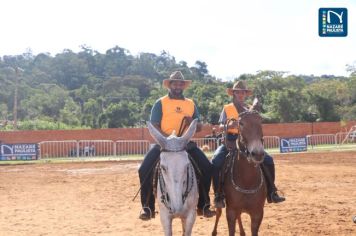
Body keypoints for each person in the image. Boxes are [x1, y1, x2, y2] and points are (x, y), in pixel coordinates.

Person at [138, 71, 216, 220]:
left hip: (186, 143)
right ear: (170, 85)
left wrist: (191, 122)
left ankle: (204, 205)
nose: (178, 86)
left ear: (183, 86)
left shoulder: (190, 103)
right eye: (175, 83)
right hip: (164, 144)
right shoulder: (160, 103)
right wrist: (169, 140)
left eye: (181, 83)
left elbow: (199, 127)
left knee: (207, 167)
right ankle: (147, 207)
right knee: (144, 170)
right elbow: (154, 125)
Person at [211, 80, 286, 208]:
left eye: (243, 92)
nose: (240, 94)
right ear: (233, 93)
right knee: (216, 161)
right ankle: (218, 194)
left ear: (246, 94)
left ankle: (272, 192)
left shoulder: (250, 109)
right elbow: (220, 126)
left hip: (247, 143)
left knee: (268, 160)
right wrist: (229, 125)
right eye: (237, 92)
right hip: (230, 142)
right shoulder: (227, 108)